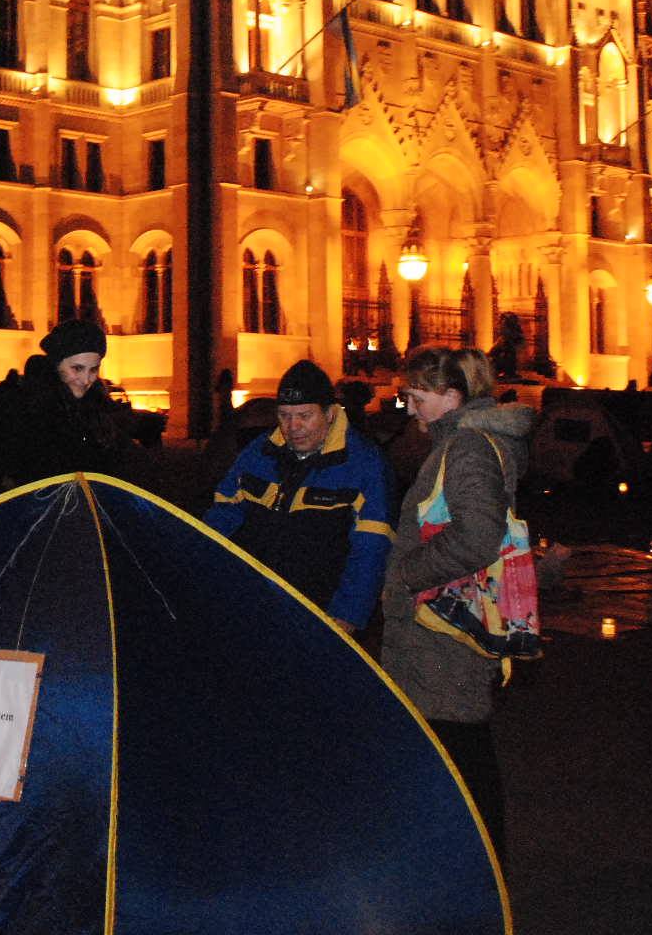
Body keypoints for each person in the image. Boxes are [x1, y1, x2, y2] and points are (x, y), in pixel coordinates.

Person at [381, 346, 535, 858]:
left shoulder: (466, 448)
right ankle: (466, 864)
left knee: (458, 749)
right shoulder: (459, 441)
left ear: (451, 396)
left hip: (444, 629)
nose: (410, 407)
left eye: (416, 396)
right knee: (452, 747)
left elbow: (477, 536)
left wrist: (408, 574)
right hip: (445, 625)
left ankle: (479, 871)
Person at [204, 360, 394, 632]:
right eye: (284, 416)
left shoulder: (364, 464)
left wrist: (347, 614)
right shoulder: (259, 452)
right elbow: (222, 515)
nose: (293, 426)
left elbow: (372, 547)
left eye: (304, 416)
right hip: (255, 601)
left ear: (330, 414)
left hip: (320, 610)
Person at [0, 318, 141, 502]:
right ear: (56, 364)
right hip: (36, 517)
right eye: (77, 368)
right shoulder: (21, 407)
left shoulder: (98, 410)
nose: (86, 379)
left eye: (93, 369)